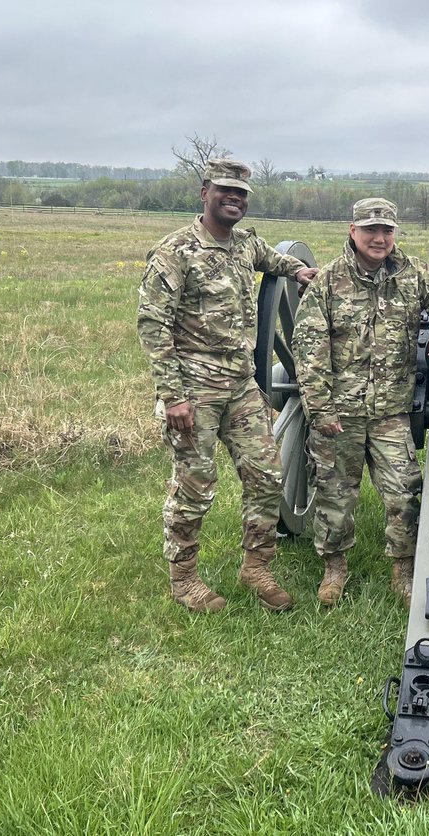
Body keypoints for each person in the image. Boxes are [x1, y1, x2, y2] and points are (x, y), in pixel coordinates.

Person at [137, 158, 317, 613]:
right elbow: (153, 325)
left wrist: (298, 270)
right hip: (194, 390)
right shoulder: (174, 251)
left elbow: (273, 258)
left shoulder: (243, 246)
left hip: (240, 385)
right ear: (205, 193)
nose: (234, 199)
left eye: (241, 194)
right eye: (225, 191)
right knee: (194, 486)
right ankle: (185, 580)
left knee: (267, 475)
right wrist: (173, 396)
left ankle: (256, 567)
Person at [293, 198, 429, 608]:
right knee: (335, 494)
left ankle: (403, 569)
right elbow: (308, 348)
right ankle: (334, 567)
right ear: (353, 231)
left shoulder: (413, 274)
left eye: (387, 231)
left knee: (404, 493)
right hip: (340, 412)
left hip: (391, 411)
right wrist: (321, 409)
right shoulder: (328, 282)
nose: (379, 238)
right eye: (371, 230)